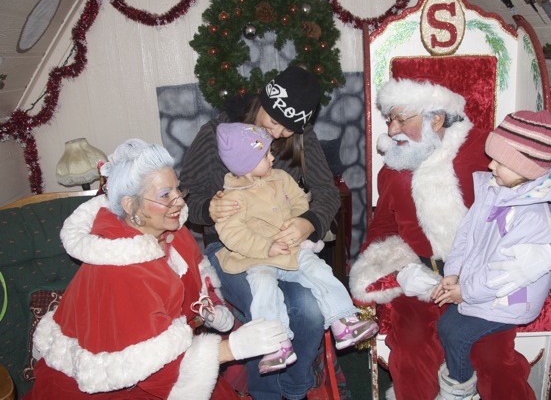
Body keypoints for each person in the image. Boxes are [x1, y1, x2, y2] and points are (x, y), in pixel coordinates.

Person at [349, 78, 551, 400]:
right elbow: (382, 225)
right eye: (390, 119)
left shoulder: (490, 152)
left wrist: (549, 256)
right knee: (412, 352)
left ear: (436, 119)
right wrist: (400, 270)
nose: (392, 128)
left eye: (401, 118)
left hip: (489, 281)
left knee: (493, 360)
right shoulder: (394, 166)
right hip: (420, 277)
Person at [23, 139, 288, 400]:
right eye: (165, 195)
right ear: (130, 206)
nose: (179, 201)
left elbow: (197, 278)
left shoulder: (173, 232)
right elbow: (151, 369)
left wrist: (213, 306)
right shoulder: (120, 272)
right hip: (122, 386)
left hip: (177, 360)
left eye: (177, 190)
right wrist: (232, 349)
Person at [180, 66, 341, 399]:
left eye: (289, 128)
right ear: (265, 100)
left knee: (309, 310)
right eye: (275, 122)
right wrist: (208, 207)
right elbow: (185, 198)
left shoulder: (298, 135)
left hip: (286, 248)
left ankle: (296, 390)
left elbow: (328, 192)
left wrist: (308, 221)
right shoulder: (215, 135)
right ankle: (266, 395)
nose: (280, 134)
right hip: (234, 253)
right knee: (269, 308)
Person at [430, 110, 551, 399]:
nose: (491, 165)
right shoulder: (495, 189)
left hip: (510, 297)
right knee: (446, 324)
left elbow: (504, 271)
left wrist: (465, 292)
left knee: (454, 332)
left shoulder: (533, 216)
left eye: (501, 161)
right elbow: (466, 235)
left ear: (528, 169)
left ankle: (460, 390)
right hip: (480, 285)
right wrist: (453, 273)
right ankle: (459, 377)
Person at [214, 122, 378, 374]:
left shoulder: (280, 178)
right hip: (257, 258)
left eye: (269, 151)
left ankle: (343, 320)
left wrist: (299, 221)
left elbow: (300, 201)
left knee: (318, 269)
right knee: (263, 287)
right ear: (245, 165)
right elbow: (233, 234)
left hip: (291, 248)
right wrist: (266, 246)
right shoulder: (231, 197)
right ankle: (275, 343)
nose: (272, 157)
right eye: (265, 155)